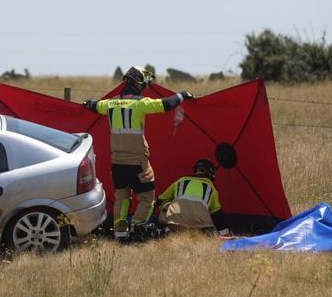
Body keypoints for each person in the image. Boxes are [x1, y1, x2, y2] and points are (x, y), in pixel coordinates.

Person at [83, 66, 195, 240]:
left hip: (117, 163)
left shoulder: (110, 103)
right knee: (147, 198)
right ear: (138, 82)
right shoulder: (141, 104)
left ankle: (120, 231)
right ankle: (138, 227)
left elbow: (94, 105)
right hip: (138, 162)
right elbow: (166, 104)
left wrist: (87, 103)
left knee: (122, 196)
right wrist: (182, 95)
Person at [156, 159, 229, 236]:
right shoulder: (211, 186)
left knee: (166, 203)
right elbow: (217, 214)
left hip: (174, 224)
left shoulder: (181, 181)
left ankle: (165, 230)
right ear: (211, 173)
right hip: (199, 227)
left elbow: (160, 200)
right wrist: (225, 233)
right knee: (211, 210)